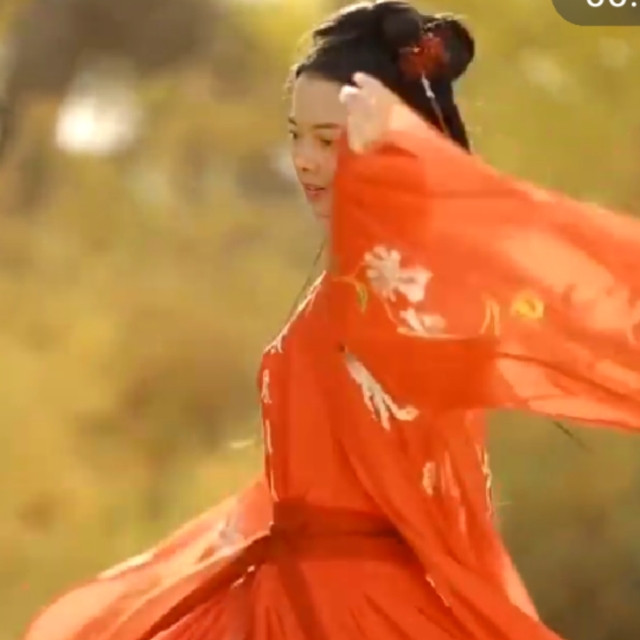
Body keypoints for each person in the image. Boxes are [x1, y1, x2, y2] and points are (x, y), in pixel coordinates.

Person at [20, 1, 640, 639]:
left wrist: (393, 168)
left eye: (329, 140)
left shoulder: (407, 282)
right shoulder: (356, 281)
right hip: (291, 589)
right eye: (297, 136)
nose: (305, 160)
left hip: (351, 608)